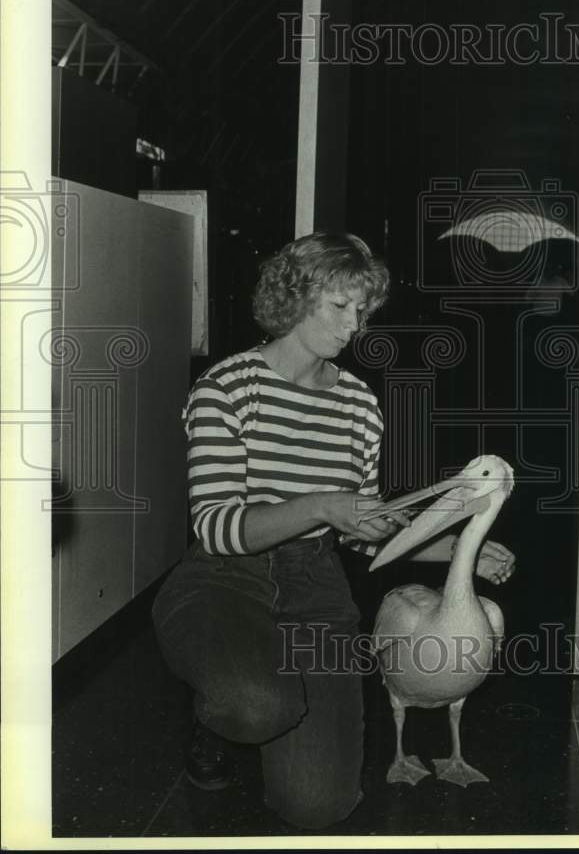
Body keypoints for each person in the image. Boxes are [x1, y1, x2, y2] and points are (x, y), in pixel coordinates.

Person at [152, 231, 515, 830]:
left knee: (320, 805)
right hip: (224, 578)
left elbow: (362, 529)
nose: (354, 326)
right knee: (254, 704)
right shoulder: (227, 388)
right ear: (295, 297)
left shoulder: (359, 405)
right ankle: (216, 720)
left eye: (363, 311)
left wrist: (459, 553)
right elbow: (216, 526)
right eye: (340, 306)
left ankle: (250, 689)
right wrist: (321, 503)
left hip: (317, 586)